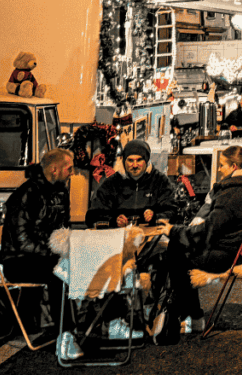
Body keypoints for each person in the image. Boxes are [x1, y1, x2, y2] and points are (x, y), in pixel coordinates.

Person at [154, 145, 242, 341]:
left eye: (223, 165)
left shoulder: (231, 194)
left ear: (233, 166)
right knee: (179, 249)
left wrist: (173, 230)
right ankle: (189, 314)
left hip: (224, 255)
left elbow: (208, 231)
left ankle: (172, 314)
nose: (219, 169)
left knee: (176, 251)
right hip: (239, 250)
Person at [83, 139, 176, 339]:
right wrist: (112, 219)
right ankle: (110, 318)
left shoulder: (160, 181)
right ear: (124, 161)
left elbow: (172, 209)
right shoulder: (112, 183)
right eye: (130, 160)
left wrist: (157, 215)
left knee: (171, 254)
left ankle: (157, 311)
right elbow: (92, 215)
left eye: (139, 160)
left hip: (150, 243)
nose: (134, 165)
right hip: (119, 243)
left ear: (146, 160)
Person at [0, 148, 82, 358]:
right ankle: (65, 337)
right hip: (18, 261)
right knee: (60, 273)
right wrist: (54, 254)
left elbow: (64, 228)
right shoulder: (25, 194)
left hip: (44, 257)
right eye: (69, 168)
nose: (72, 173)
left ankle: (85, 326)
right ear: (54, 170)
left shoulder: (61, 191)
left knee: (81, 264)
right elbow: (22, 242)